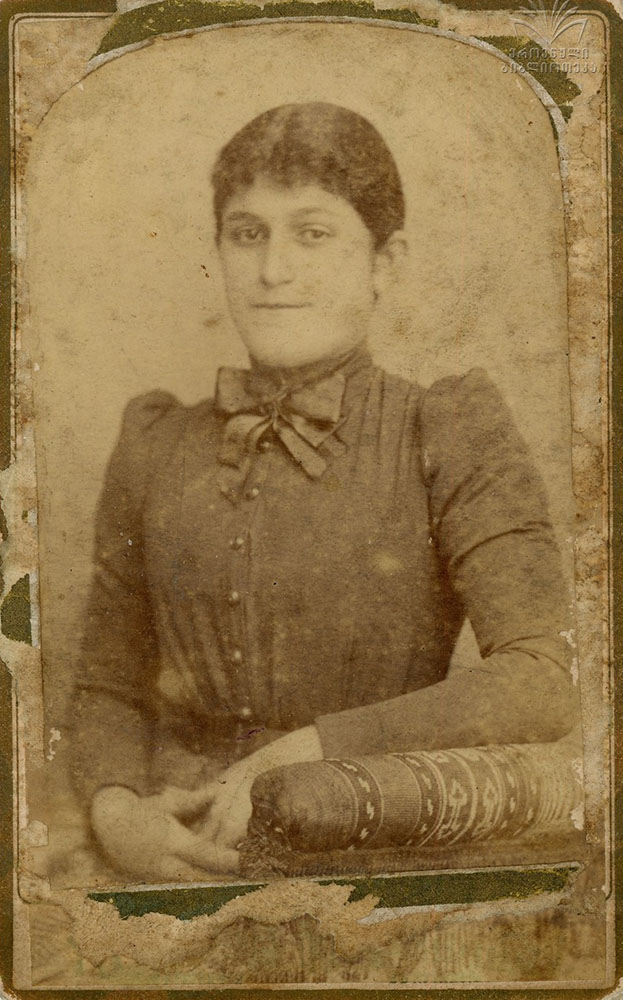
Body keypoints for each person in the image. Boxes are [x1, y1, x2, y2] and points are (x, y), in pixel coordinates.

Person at [70, 102, 579, 882]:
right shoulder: (154, 442)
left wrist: (320, 747)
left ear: (384, 262)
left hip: (364, 853)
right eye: (247, 234)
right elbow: (107, 685)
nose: (274, 271)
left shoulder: (446, 428)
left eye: (312, 234)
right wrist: (117, 813)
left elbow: (542, 677)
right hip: (166, 850)